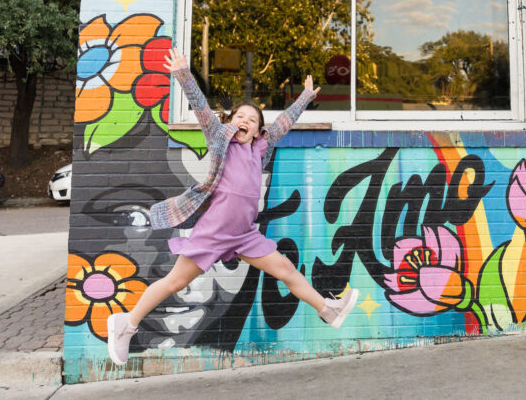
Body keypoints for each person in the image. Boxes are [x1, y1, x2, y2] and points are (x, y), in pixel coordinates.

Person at [105, 48, 358, 366]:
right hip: (214, 232)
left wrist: (305, 96)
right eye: (240, 117)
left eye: (252, 120)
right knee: (175, 281)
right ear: (230, 122)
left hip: (245, 236)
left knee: (287, 271)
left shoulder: (260, 149)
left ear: (257, 130)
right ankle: (125, 325)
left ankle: (327, 309)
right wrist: (183, 73)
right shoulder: (219, 138)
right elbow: (200, 107)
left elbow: (282, 123)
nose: (246, 121)